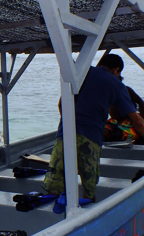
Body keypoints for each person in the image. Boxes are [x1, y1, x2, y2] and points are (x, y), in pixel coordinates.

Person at [44, 53, 144, 202]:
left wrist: (68, 124)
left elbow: (61, 104)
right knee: (88, 185)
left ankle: (54, 211)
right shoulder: (116, 84)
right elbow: (137, 121)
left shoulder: (81, 73)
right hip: (91, 137)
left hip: (65, 134)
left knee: (55, 180)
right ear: (117, 70)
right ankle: (87, 208)